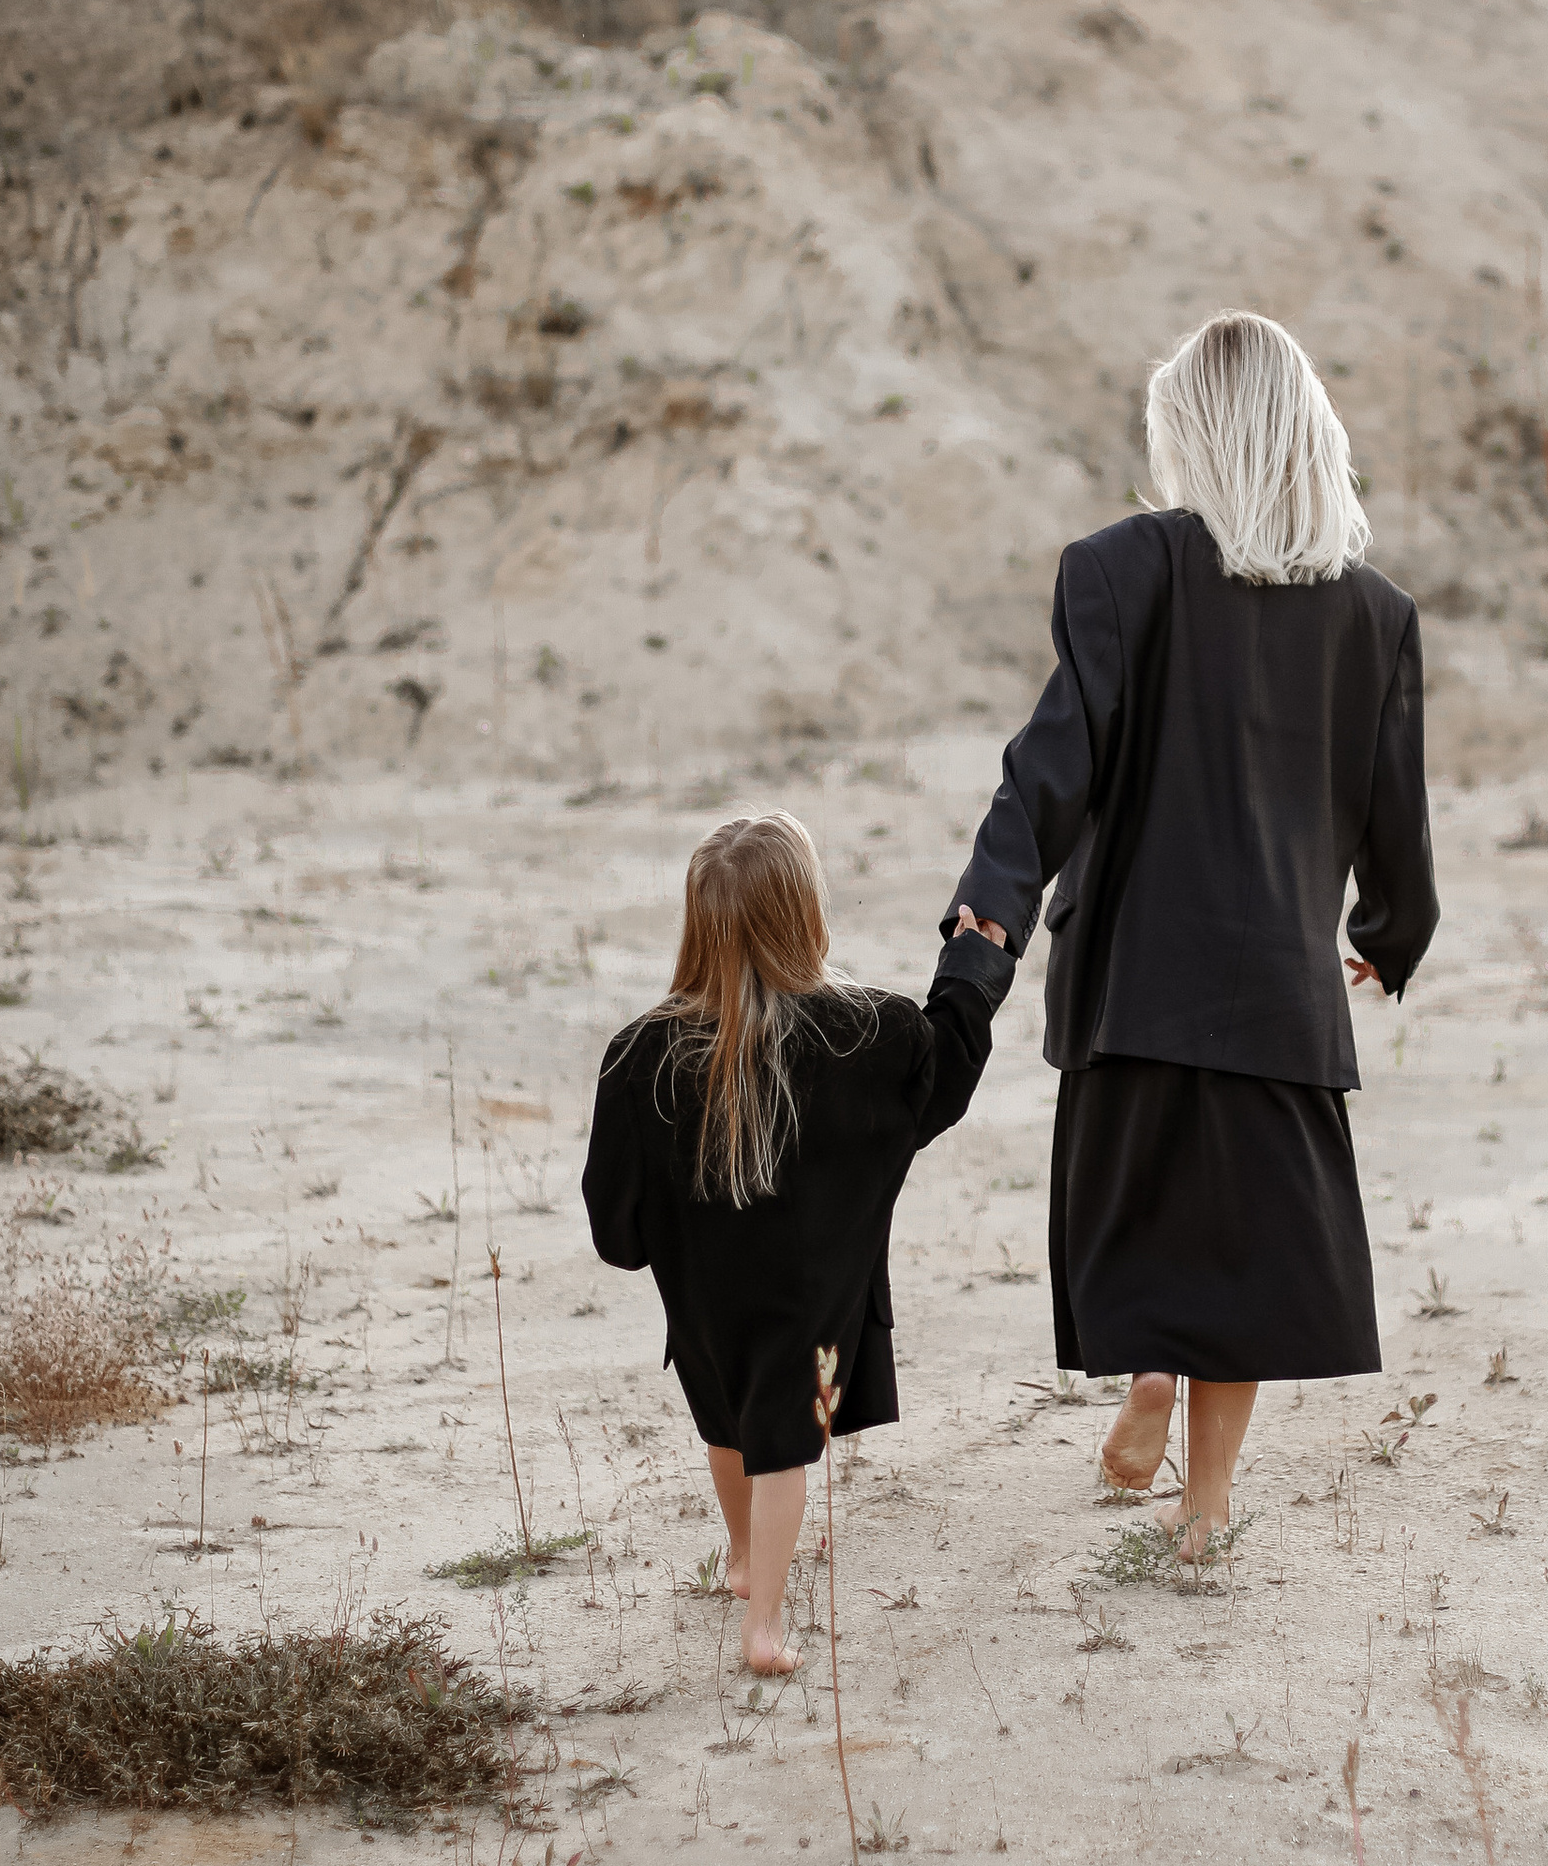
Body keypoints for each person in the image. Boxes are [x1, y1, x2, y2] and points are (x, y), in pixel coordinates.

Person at [945, 310, 1438, 1557]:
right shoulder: (1373, 615)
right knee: (1246, 1256)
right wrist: (1390, 933)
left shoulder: (1122, 569)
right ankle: (1204, 1506)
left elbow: (1050, 766)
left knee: (1153, 1216)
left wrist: (990, 905)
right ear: (1304, 438)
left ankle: (1150, 1384)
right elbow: (1396, 817)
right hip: (1277, 987)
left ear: (1192, 440)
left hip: (1135, 976)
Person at [584, 811, 1013, 1672]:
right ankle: (764, 1628)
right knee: (784, 1446)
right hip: (810, 1307)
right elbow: (946, 1071)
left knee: (729, 1422)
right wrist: (971, 959)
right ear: (805, 916)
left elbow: (615, 1230)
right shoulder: (870, 1035)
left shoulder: (638, 1056)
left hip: (701, 1316)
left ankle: (743, 1558)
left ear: (697, 922)